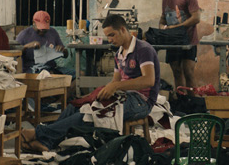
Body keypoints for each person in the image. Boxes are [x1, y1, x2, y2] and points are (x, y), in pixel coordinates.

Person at [21, 14, 159, 153]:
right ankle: (47, 142)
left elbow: (149, 80)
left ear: (123, 29)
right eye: (108, 36)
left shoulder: (143, 49)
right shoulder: (119, 53)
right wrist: (98, 93)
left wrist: (115, 86)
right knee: (75, 106)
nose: (110, 40)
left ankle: (39, 134)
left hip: (141, 101)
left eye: (112, 35)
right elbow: (115, 81)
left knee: (91, 113)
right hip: (124, 96)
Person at [155, 0, 200, 90]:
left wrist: (176, 28)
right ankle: (181, 99)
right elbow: (163, 18)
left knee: (188, 72)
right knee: (176, 71)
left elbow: (196, 18)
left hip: (188, 40)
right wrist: (162, 27)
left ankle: (192, 99)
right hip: (172, 42)